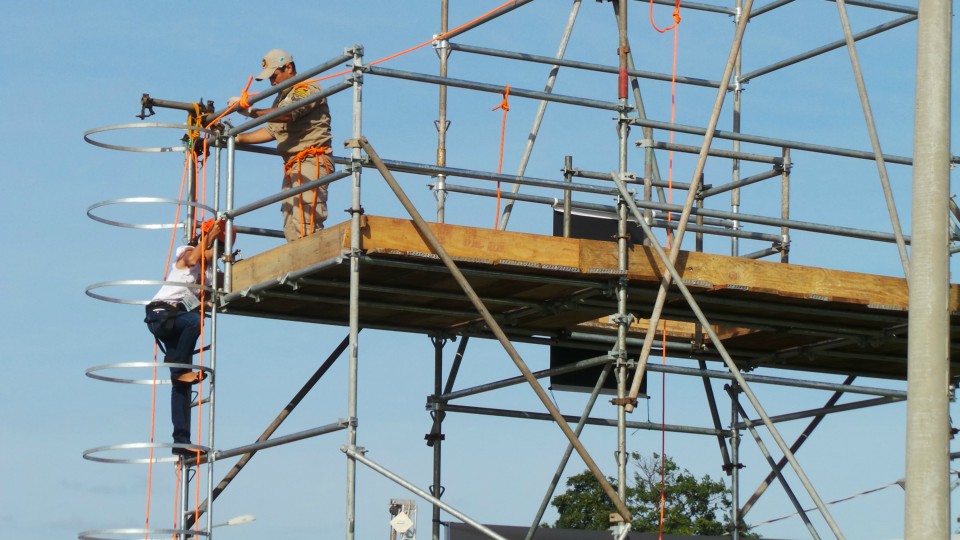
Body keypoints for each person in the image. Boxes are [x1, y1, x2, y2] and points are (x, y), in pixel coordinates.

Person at [230, 49, 334, 243]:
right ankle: (300, 267)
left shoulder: (306, 88)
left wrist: (252, 112)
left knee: (306, 221)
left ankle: (309, 263)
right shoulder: (281, 98)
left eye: (274, 76)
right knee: (291, 225)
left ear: (288, 67)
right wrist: (235, 138)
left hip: (311, 160)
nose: (273, 82)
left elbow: (287, 114)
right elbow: (272, 130)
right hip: (294, 164)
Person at [143, 218, 225, 458]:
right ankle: (178, 367)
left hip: (178, 322)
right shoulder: (187, 256)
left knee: (181, 386)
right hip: (162, 314)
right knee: (193, 322)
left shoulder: (208, 274)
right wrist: (208, 235)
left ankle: (182, 441)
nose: (216, 253)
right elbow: (192, 258)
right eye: (215, 247)